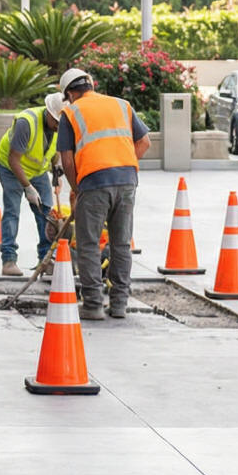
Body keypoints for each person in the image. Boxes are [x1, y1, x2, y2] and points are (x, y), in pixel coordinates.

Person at [54, 68, 152, 321]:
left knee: (88, 244)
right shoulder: (122, 105)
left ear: (69, 94)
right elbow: (144, 143)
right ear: (91, 85)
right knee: (121, 245)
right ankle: (119, 305)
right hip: (127, 181)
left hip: (94, 182)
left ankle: (94, 305)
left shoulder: (71, 112)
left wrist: (78, 189)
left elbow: (66, 160)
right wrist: (124, 164)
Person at [0, 92, 65, 276]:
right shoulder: (26, 123)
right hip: (11, 168)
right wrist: (27, 187)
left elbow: (54, 149)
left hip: (37, 171)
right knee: (12, 212)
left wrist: (56, 168)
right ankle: (9, 260)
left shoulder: (61, 126)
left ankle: (46, 259)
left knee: (47, 214)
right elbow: (13, 159)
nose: (59, 127)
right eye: (56, 122)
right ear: (49, 113)